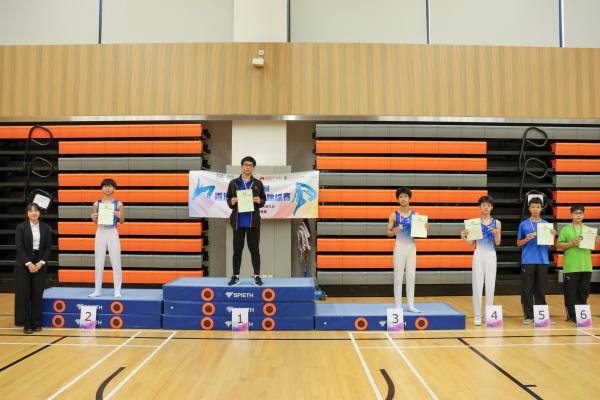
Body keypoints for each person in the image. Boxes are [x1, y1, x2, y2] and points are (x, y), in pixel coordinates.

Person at [460, 195, 501, 326]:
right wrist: (463, 237)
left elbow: (498, 243)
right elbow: (471, 243)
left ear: (491, 207)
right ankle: (477, 315)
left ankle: (489, 315)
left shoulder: (497, 223)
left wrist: (496, 233)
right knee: (477, 285)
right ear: (479, 207)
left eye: (488, 205)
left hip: (491, 254)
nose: (486, 207)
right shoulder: (474, 223)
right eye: (483, 205)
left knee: (490, 285)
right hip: (478, 254)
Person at [226, 156, 267, 286]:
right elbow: (228, 199)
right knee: (237, 251)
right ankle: (235, 276)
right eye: (245, 164)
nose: (247, 167)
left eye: (250, 165)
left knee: (255, 250)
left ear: (253, 167)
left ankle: (257, 276)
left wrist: (259, 201)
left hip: (252, 223)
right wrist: (231, 201)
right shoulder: (234, 183)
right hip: (238, 222)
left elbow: (263, 200)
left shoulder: (258, 184)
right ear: (242, 166)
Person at [556, 204, 600, 322]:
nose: (578, 215)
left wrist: (595, 241)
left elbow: (590, 247)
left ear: (584, 215)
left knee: (584, 291)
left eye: (580, 213)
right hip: (571, 266)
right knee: (570, 293)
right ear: (571, 215)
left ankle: (581, 315)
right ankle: (571, 316)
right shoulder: (566, 229)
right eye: (576, 213)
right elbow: (559, 245)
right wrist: (572, 243)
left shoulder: (588, 230)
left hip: (586, 266)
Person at [516, 197, 557, 324]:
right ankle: (528, 316)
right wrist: (526, 239)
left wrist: (553, 236)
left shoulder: (546, 224)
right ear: (529, 208)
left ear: (541, 208)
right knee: (527, 289)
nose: (535, 209)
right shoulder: (523, 224)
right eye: (532, 207)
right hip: (528, 260)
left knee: (541, 289)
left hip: (542, 260)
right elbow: (518, 243)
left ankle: (542, 316)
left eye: (537, 207)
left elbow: (549, 246)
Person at [386, 187, 426, 313]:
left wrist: (424, 228)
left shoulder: (416, 215)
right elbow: (388, 233)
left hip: (411, 247)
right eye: (401, 197)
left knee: (411, 277)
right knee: (398, 277)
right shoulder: (394, 215)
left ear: (409, 198)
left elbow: (419, 234)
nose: (403, 199)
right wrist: (394, 231)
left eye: (405, 196)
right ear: (398, 199)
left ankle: (410, 305)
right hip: (399, 247)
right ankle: (398, 305)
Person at [15, 203, 52, 334]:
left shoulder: (46, 227)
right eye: (30, 211)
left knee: (37, 294)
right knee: (25, 295)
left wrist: (41, 262)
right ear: (27, 213)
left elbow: (48, 247)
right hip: (24, 264)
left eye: (36, 210)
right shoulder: (21, 227)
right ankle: (27, 323)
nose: (33, 213)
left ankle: (37, 322)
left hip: (39, 263)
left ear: (40, 213)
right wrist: (28, 263)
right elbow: (19, 247)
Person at [89, 178, 124, 298]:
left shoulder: (118, 204)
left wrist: (120, 215)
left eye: (110, 186)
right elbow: (95, 221)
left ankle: (117, 290)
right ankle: (97, 289)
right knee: (98, 261)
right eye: (105, 186)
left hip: (112, 232)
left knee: (116, 261)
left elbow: (122, 221)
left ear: (114, 189)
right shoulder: (96, 204)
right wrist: (93, 217)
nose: (108, 188)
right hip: (101, 231)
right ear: (101, 188)